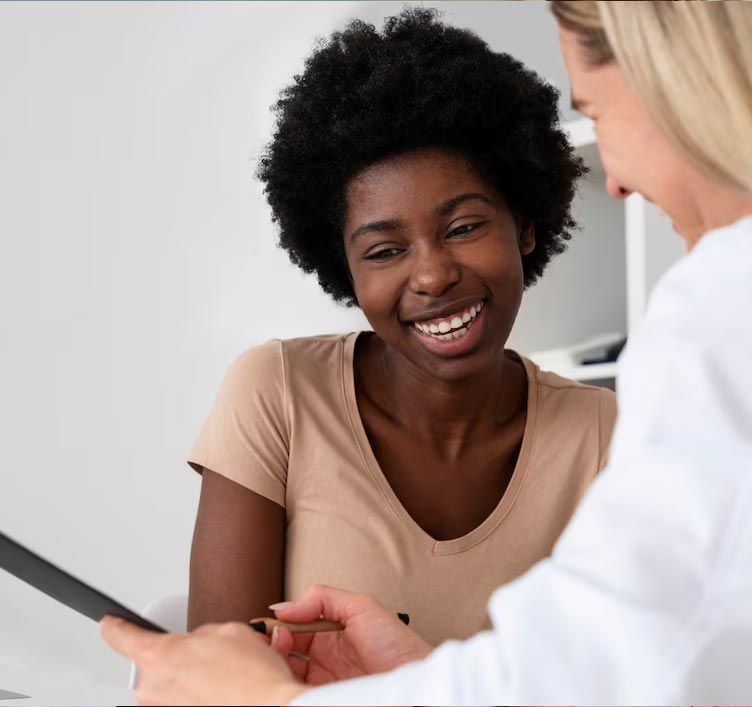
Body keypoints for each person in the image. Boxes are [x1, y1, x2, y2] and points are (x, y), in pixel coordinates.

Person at [101, 1, 752, 703]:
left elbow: (625, 668)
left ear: (677, 89)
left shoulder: (746, 312)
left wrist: (280, 700)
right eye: (386, 248)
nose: (614, 181)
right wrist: (419, 675)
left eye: (594, 112)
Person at [183, 6, 615, 649]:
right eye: (385, 251)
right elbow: (223, 676)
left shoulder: (603, 435)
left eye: (463, 228)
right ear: (345, 270)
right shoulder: (277, 393)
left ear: (524, 225)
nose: (434, 276)